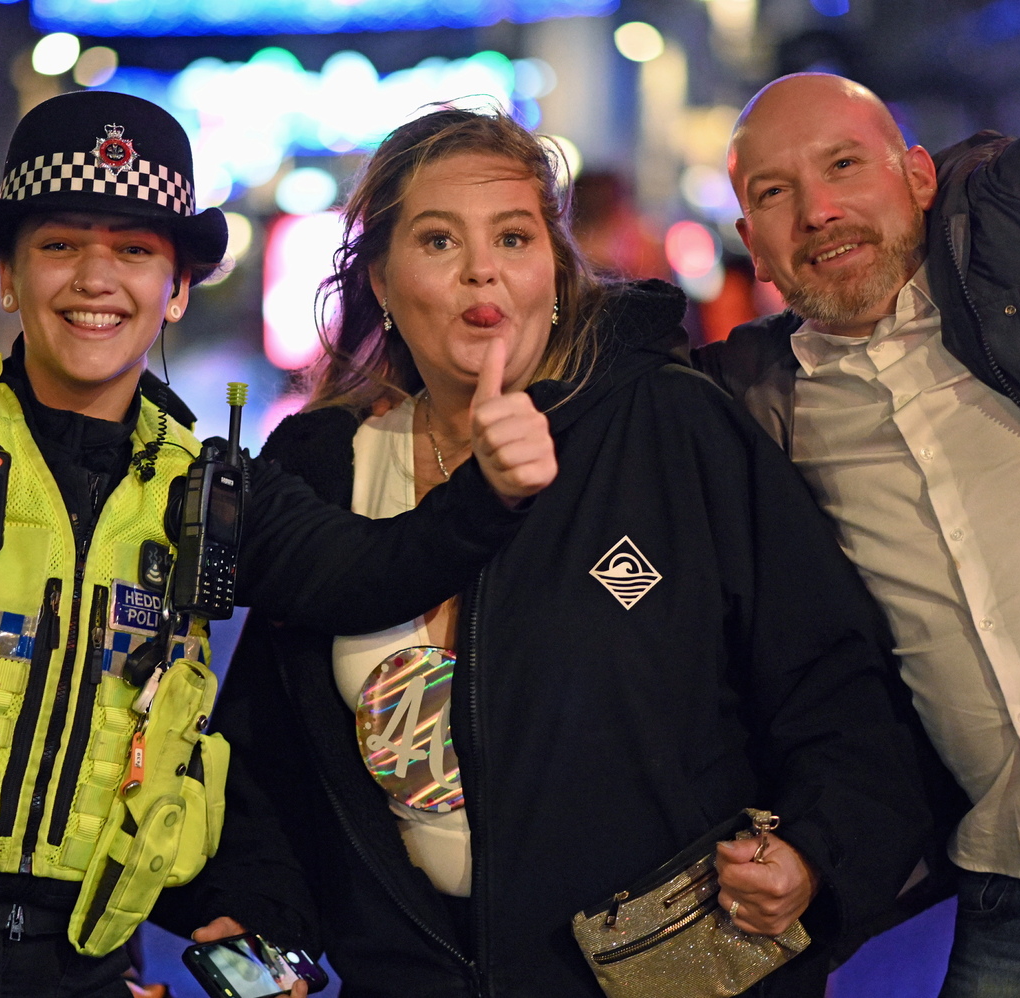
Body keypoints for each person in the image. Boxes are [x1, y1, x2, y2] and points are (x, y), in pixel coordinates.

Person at [0, 90, 555, 997]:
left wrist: (488, 490)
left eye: (135, 251)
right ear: (7, 274)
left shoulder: (207, 491)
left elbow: (370, 575)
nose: (95, 279)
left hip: (76, 960)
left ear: (177, 289)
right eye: (60, 245)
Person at [176, 106, 935, 997]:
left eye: (513, 236)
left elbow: (839, 688)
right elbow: (272, 762)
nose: (482, 269)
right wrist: (261, 923)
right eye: (438, 240)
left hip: (665, 977)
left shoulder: (669, 426)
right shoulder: (323, 467)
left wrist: (812, 855)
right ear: (379, 277)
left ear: (558, 271)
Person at [700, 66, 1020, 996]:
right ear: (752, 244)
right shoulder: (753, 404)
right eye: (775, 193)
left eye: (845, 165)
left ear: (918, 177)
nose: (818, 211)